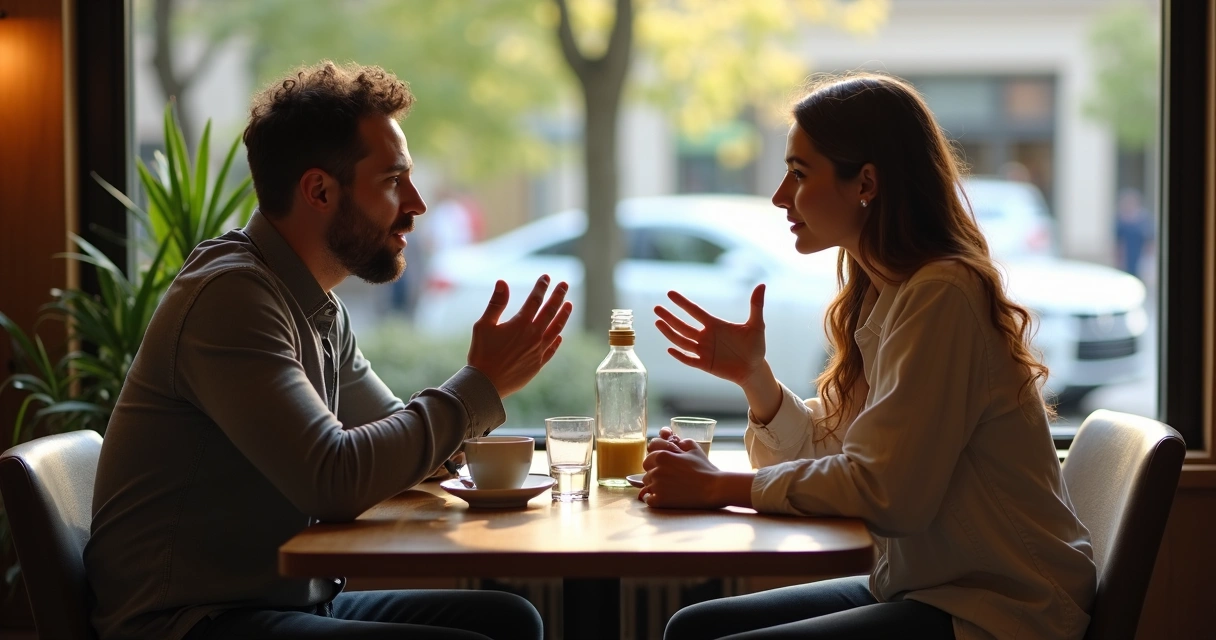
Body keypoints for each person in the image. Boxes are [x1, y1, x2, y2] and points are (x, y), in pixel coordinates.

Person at [84, 61, 571, 640]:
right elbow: (334, 478)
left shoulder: (313, 303)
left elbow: (392, 437)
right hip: (190, 621)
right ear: (318, 190)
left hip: (282, 603)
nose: (416, 204)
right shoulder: (231, 297)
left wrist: (483, 390)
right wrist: (478, 385)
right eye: (393, 181)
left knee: (510, 621)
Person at [641, 73, 1096, 639]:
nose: (782, 196)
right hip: (926, 587)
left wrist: (716, 486)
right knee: (693, 628)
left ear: (867, 183)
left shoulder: (943, 294)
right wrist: (754, 377)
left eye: (799, 174)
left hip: (1000, 611)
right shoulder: (887, 293)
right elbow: (839, 454)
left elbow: (886, 493)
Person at [1114, 187, 1154, 280]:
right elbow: (1118, 242)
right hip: (1127, 256)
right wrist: (1119, 259)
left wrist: (1148, 258)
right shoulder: (1121, 220)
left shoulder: (1144, 219)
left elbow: (1150, 239)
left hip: (1140, 255)